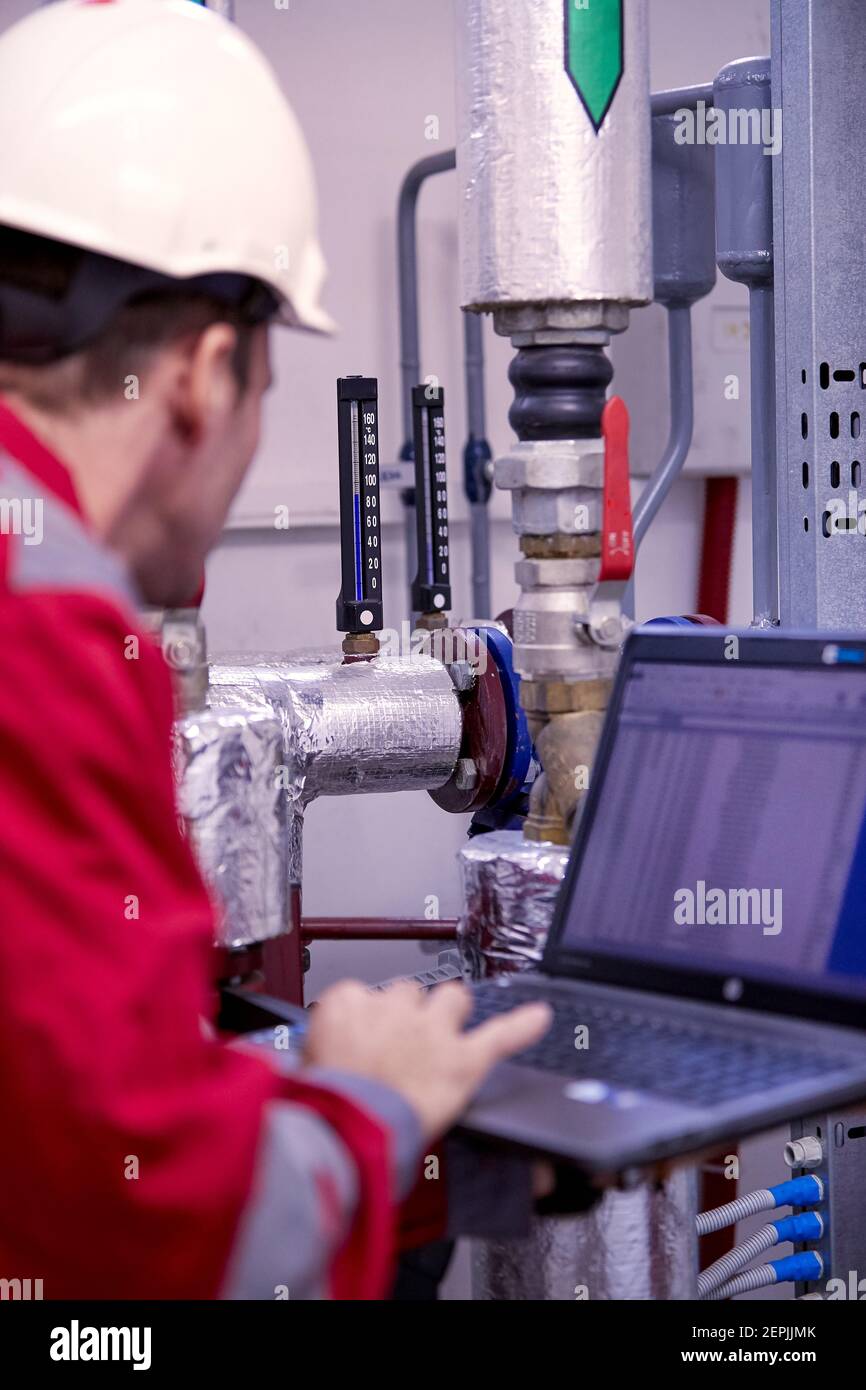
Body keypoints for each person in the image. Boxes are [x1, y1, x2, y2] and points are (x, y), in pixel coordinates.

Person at [0, 0, 551, 1300]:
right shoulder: (46, 636)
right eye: (264, 389)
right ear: (203, 376)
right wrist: (370, 1100)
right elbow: (158, 1236)